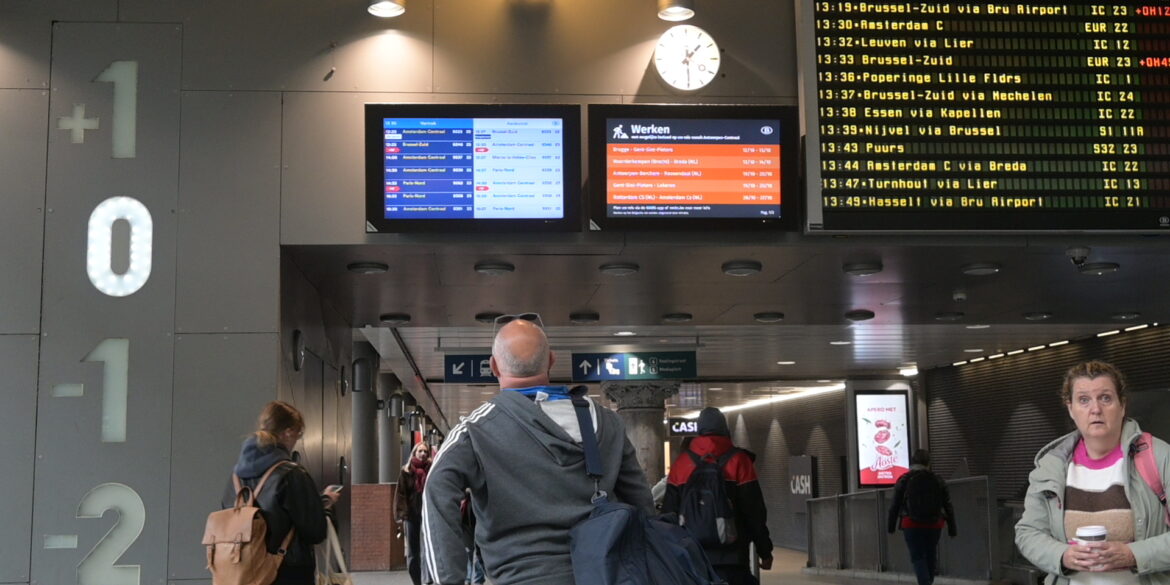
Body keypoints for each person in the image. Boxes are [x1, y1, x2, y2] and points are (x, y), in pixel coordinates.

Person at [420, 314, 654, 585]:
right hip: (607, 573)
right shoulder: (606, 421)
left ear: (493, 366)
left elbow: (436, 490)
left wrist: (447, 579)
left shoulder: (476, 430)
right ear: (552, 360)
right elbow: (641, 500)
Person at [1015, 360, 1170, 585]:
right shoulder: (1052, 467)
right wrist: (1062, 555)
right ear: (1071, 408)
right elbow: (1028, 532)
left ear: (1122, 405)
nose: (1095, 409)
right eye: (1084, 400)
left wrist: (1133, 555)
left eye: (1105, 398)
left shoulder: (1158, 457)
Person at [222, 400, 340, 585]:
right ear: (288, 432)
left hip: (242, 571)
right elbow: (315, 531)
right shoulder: (291, 474)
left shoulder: (236, 477)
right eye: (298, 434)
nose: (296, 441)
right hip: (286, 572)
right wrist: (326, 505)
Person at [662, 407, 774, 585]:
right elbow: (754, 511)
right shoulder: (739, 461)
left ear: (699, 431)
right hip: (734, 557)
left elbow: (669, 514)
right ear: (725, 430)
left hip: (693, 554)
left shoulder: (682, 464)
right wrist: (765, 550)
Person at [886, 449, 957, 585]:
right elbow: (948, 505)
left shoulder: (904, 479)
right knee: (931, 555)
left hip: (911, 524)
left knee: (918, 556)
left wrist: (891, 526)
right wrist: (952, 528)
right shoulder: (938, 480)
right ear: (928, 463)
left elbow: (894, 505)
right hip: (935, 523)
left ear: (912, 462)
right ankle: (928, 582)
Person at [395, 441, 433, 585]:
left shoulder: (431, 470)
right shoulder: (406, 471)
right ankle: (417, 581)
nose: (423, 454)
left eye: (425, 452)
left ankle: (427, 579)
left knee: (427, 548)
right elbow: (401, 494)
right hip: (411, 515)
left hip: (427, 515)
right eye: (420, 451)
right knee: (413, 552)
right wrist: (402, 514)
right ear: (414, 453)